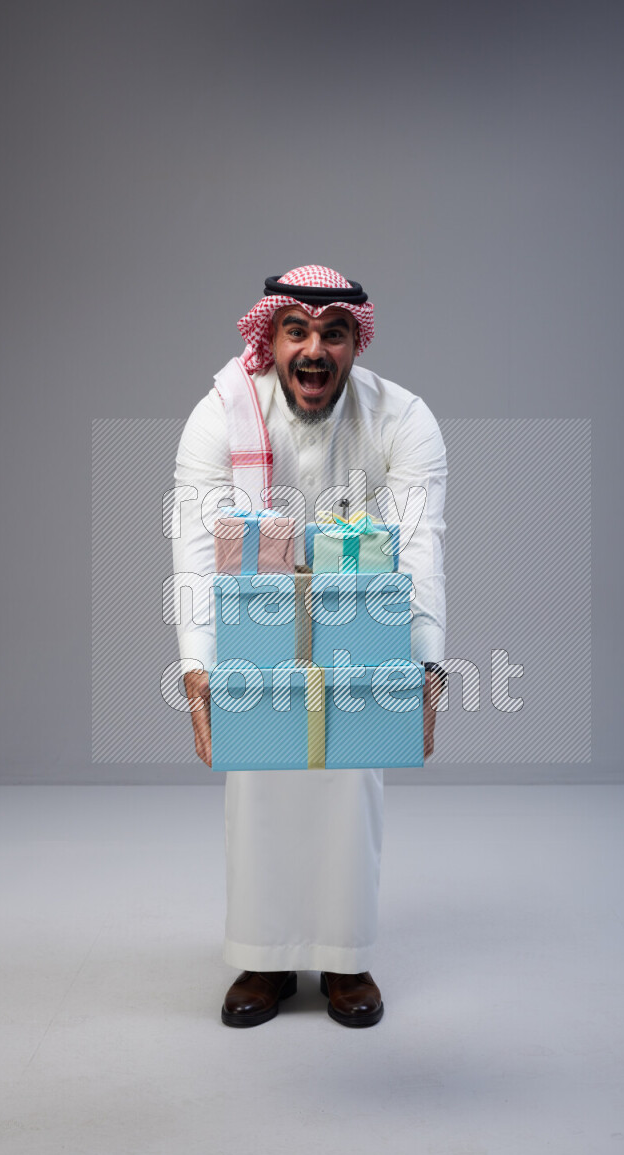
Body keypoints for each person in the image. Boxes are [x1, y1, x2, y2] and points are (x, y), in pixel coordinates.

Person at [171, 266, 446, 1028]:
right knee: (258, 779)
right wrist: (198, 666)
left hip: (362, 626)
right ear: (274, 337)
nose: (314, 350)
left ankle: (345, 957)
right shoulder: (221, 415)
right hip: (254, 625)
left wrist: (425, 667)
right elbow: (195, 545)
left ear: (357, 341)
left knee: (350, 776)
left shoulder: (403, 418)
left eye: (333, 334)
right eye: (297, 331)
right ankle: (263, 958)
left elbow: (420, 546)